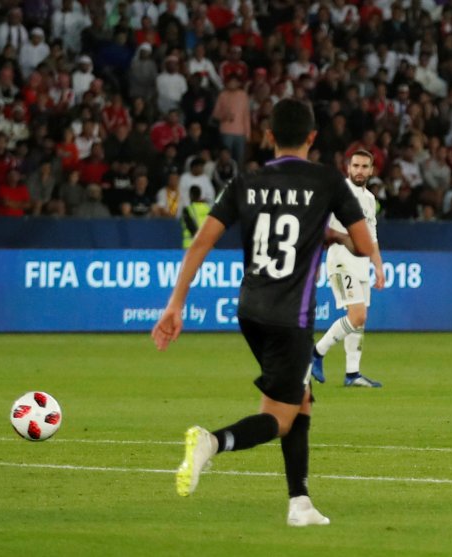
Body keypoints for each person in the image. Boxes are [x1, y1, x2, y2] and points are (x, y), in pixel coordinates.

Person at [151, 99, 374, 527]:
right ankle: (211, 443)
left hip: (250, 311)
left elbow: (200, 243)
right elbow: (362, 244)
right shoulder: (327, 180)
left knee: (301, 398)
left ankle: (300, 502)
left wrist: (175, 304)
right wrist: (332, 236)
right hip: (291, 317)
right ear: (313, 137)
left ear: (268, 136)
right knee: (281, 417)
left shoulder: (246, 180)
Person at [311, 150, 386, 388]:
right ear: (348, 167)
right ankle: (317, 352)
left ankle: (352, 373)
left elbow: (371, 235)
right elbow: (321, 227)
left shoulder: (370, 199)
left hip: (362, 264)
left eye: (365, 166)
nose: (359, 170)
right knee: (357, 315)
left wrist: (378, 266)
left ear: (371, 170)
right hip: (341, 261)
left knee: (359, 321)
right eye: (355, 166)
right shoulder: (337, 192)